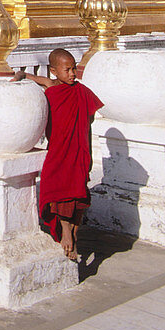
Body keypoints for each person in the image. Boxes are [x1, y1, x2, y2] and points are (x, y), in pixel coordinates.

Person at [15, 48, 102, 261]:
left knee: (79, 188)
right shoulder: (52, 86)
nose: (72, 74)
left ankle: (73, 231)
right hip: (59, 149)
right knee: (58, 187)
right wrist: (20, 76)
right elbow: (34, 77)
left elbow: (89, 119)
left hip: (79, 148)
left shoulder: (82, 90)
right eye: (67, 70)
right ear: (54, 71)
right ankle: (65, 229)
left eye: (74, 69)